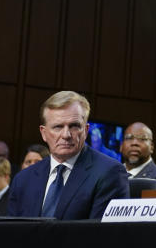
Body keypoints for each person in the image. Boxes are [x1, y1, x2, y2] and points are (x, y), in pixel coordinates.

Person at [7, 90, 128, 219]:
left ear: (86, 130)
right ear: (43, 133)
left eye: (74, 126)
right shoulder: (23, 179)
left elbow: (100, 234)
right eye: (57, 127)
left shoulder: (109, 173)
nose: (66, 135)